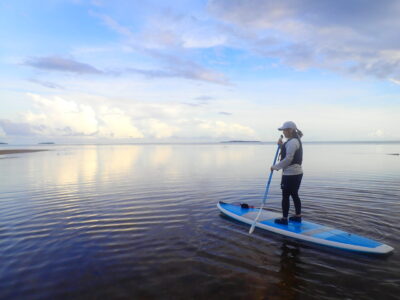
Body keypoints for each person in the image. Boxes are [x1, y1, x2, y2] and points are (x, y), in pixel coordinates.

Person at [271, 121, 303, 225]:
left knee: (285, 196)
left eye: (284, 130)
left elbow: (289, 158)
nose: (283, 132)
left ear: (290, 130)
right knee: (294, 194)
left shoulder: (292, 142)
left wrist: (275, 167)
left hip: (290, 174)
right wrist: (281, 146)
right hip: (297, 173)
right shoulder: (293, 141)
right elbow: (287, 153)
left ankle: (284, 219)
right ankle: (298, 217)